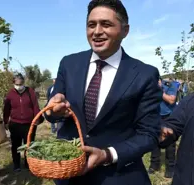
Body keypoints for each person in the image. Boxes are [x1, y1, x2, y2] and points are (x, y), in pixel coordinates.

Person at [45, 0, 162, 184]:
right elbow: (52, 111)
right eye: (91, 25)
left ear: (125, 30)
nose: (97, 31)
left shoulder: (144, 74)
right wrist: (52, 110)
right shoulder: (68, 64)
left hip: (117, 175)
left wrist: (107, 155)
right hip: (70, 175)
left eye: (106, 24)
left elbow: (149, 134)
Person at [3, 73, 43, 171]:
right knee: (16, 145)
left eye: (21, 84)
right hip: (15, 124)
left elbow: (35, 106)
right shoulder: (10, 93)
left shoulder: (30, 92)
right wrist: (5, 121)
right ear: (13, 83)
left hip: (29, 124)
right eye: (17, 84)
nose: (19, 86)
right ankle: (16, 165)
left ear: (23, 83)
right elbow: (6, 109)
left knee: (29, 145)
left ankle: (28, 163)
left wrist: (37, 119)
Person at [148, 77, 177, 178]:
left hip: (169, 116)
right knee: (155, 141)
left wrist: (159, 90)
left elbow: (171, 100)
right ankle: (154, 165)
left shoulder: (171, 85)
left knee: (170, 143)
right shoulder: (153, 86)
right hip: (156, 115)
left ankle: (170, 168)